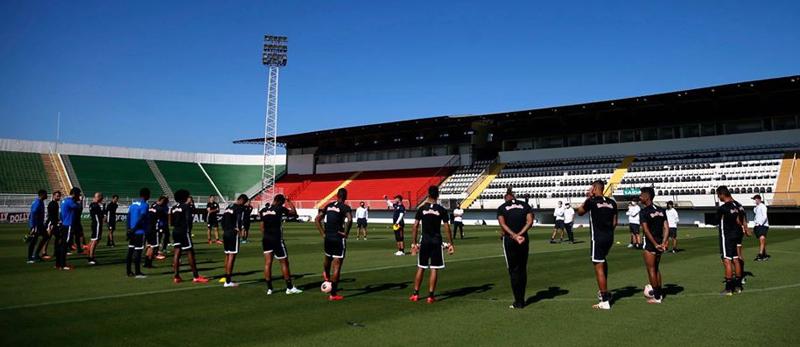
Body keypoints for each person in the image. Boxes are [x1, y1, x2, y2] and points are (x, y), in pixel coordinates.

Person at [576, 180, 618, 310]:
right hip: (609, 237)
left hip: (597, 238)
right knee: (603, 262)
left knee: (598, 266)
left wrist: (588, 197)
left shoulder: (592, 201)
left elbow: (580, 212)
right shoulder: (612, 202)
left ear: (594, 188)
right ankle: (605, 294)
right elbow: (615, 222)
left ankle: (604, 300)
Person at [410, 186, 454, 304]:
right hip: (436, 241)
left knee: (421, 267)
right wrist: (451, 243)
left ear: (428, 194)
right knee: (434, 268)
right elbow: (446, 227)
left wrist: (414, 243)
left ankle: (415, 294)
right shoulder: (441, 209)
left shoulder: (421, 209)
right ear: (438, 195)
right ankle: (430, 296)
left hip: (425, 241)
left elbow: (415, 226)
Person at [496, 188, 533, 309]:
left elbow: (502, 224)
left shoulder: (502, 208)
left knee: (513, 270)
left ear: (506, 197)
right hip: (524, 240)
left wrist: (514, 236)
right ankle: (522, 300)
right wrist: (521, 234)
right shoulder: (525, 205)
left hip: (510, 241)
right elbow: (530, 221)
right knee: (522, 269)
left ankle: (518, 301)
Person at [260, 194, 302, 295]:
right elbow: (294, 213)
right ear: (281, 202)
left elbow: (262, 227)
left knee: (267, 263)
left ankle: (270, 288)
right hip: (276, 239)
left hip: (266, 239)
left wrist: (266, 236)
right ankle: (289, 287)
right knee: (284, 263)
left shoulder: (263, 210)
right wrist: (289, 201)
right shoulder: (280, 208)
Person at [315, 188, 353, 301]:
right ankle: (333, 294)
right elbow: (350, 220)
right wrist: (346, 233)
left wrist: (323, 234)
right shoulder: (345, 207)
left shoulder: (328, 205)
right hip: (338, 237)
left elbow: (317, 219)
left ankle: (326, 274)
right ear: (345, 197)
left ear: (337, 196)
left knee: (327, 257)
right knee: (337, 265)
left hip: (328, 237)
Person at [715, 186, 751, 295]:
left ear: (722, 194)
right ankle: (738, 286)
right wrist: (746, 228)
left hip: (727, 236)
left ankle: (729, 288)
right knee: (736, 259)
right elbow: (743, 218)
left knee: (727, 260)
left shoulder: (723, 208)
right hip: (737, 234)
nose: (718, 197)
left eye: (718, 195)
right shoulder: (739, 205)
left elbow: (715, 220)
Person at [170, 189, 209, 284]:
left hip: (175, 231)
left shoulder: (173, 207)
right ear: (184, 197)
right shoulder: (186, 206)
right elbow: (188, 220)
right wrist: (188, 230)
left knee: (177, 252)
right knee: (190, 252)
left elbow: (171, 222)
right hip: (184, 231)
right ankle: (196, 276)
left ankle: (176, 276)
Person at [638, 187, 669, 304]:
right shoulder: (661, 210)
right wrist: (664, 242)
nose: (640, 197)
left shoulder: (644, 212)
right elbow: (666, 227)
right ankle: (659, 294)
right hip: (660, 242)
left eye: (641, 195)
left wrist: (655, 244)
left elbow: (646, 230)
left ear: (647, 197)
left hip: (651, 244)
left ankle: (656, 297)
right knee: (656, 268)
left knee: (651, 269)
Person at [222, 194, 248, 287]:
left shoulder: (229, 207)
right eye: (244, 202)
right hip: (233, 233)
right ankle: (228, 281)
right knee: (232, 256)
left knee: (227, 255)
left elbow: (222, 220)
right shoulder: (239, 208)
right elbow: (239, 220)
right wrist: (239, 230)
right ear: (241, 200)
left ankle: (226, 278)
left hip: (225, 233)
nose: (244, 204)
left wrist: (225, 229)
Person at [126, 188, 150, 278]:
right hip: (139, 231)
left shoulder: (133, 204)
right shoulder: (145, 205)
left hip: (131, 231)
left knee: (130, 251)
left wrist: (128, 230)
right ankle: (137, 272)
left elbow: (128, 217)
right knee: (138, 252)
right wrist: (135, 228)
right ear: (147, 195)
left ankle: (128, 271)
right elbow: (142, 217)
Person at [56, 187, 82, 270]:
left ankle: (58, 263)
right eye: (78, 194)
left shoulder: (65, 201)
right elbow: (79, 208)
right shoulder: (71, 202)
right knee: (65, 245)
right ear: (74, 194)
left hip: (64, 224)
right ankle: (63, 265)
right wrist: (80, 201)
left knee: (62, 244)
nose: (79, 196)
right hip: (69, 225)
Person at [26, 190, 47, 263]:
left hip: (39, 224)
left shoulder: (39, 202)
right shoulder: (38, 202)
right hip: (36, 225)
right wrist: (33, 226)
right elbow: (34, 213)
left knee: (46, 236)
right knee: (33, 241)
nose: (47, 196)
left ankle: (36, 254)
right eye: (46, 194)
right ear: (42, 195)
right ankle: (30, 258)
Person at [40, 190, 62, 260]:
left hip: (54, 223)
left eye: (59, 196)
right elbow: (51, 215)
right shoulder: (52, 204)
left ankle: (56, 251)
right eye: (57, 196)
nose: (58, 197)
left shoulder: (55, 203)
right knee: (47, 238)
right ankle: (44, 253)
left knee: (58, 237)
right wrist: (53, 223)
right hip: (51, 223)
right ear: (53, 196)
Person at [86, 192, 105, 265]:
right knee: (95, 240)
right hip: (97, 224)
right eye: (101, 198)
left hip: (96, 224)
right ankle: (91, 257)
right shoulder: (95, 205)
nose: (102, 199)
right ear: (98, 197)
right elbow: (101, 215)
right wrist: (103, 207)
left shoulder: (93, 204)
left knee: (94, 239)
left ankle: (89, 254)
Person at [752, 195, 770, 261]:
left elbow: (765, 216)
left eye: (755, 199)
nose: (754, 200)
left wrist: (760, 223)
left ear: (759, 199)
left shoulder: (762, 206)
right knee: (761, 239)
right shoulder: (756, 207)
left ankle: (760, 254)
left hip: (763, 225)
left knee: (762, 238)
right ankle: (764, 255)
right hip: (758, 225)